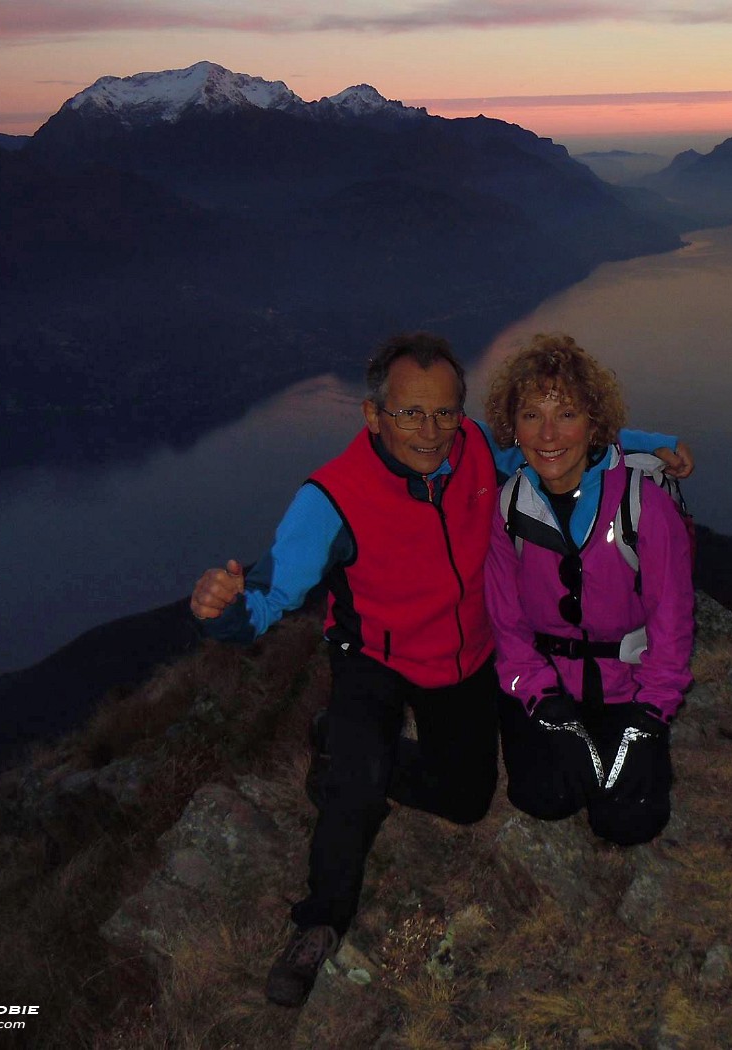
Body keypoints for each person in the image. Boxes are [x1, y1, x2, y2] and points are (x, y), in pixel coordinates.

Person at [189, 332, 691, 1007]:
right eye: (409, 413)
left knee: (466, 799)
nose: (430, 430)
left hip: (465, 660)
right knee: (356, 787)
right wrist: (223, 612)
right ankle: (318, 922)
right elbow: (271, 593)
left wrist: (656, 444)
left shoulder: (478, 447)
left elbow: (562, 437)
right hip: (376, 657)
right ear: (373, 415)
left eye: (445, 412)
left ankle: (341, 746)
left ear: (462, 414)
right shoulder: (331, 498)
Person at [483, 333, 694, 846]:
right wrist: (545, 704)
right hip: (544, 686)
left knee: (629, 823)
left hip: (627, 687)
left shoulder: (644, 507)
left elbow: (672, 624)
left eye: (567, 414)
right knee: (546, 799)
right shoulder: (510, 506)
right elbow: (506, 625)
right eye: (532, 415)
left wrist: (649, 720)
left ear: (595, 424)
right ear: (513, 427)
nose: (549, 433)